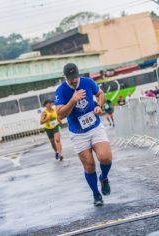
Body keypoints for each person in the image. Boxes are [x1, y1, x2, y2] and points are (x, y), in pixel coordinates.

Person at [55, 63, 112, 206]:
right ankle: (96, 194)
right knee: (89, 166)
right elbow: (60, 115)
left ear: (78, 74)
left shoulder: (87, 82)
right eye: (70, 79)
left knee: (105, 157)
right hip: (78, 133)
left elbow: (100, 94)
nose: (73, 81)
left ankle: (104, 178)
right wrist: (73, 100)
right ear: (65, 77)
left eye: (75, 77)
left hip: (95, 127)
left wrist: (99, 106)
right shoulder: (61, 91)